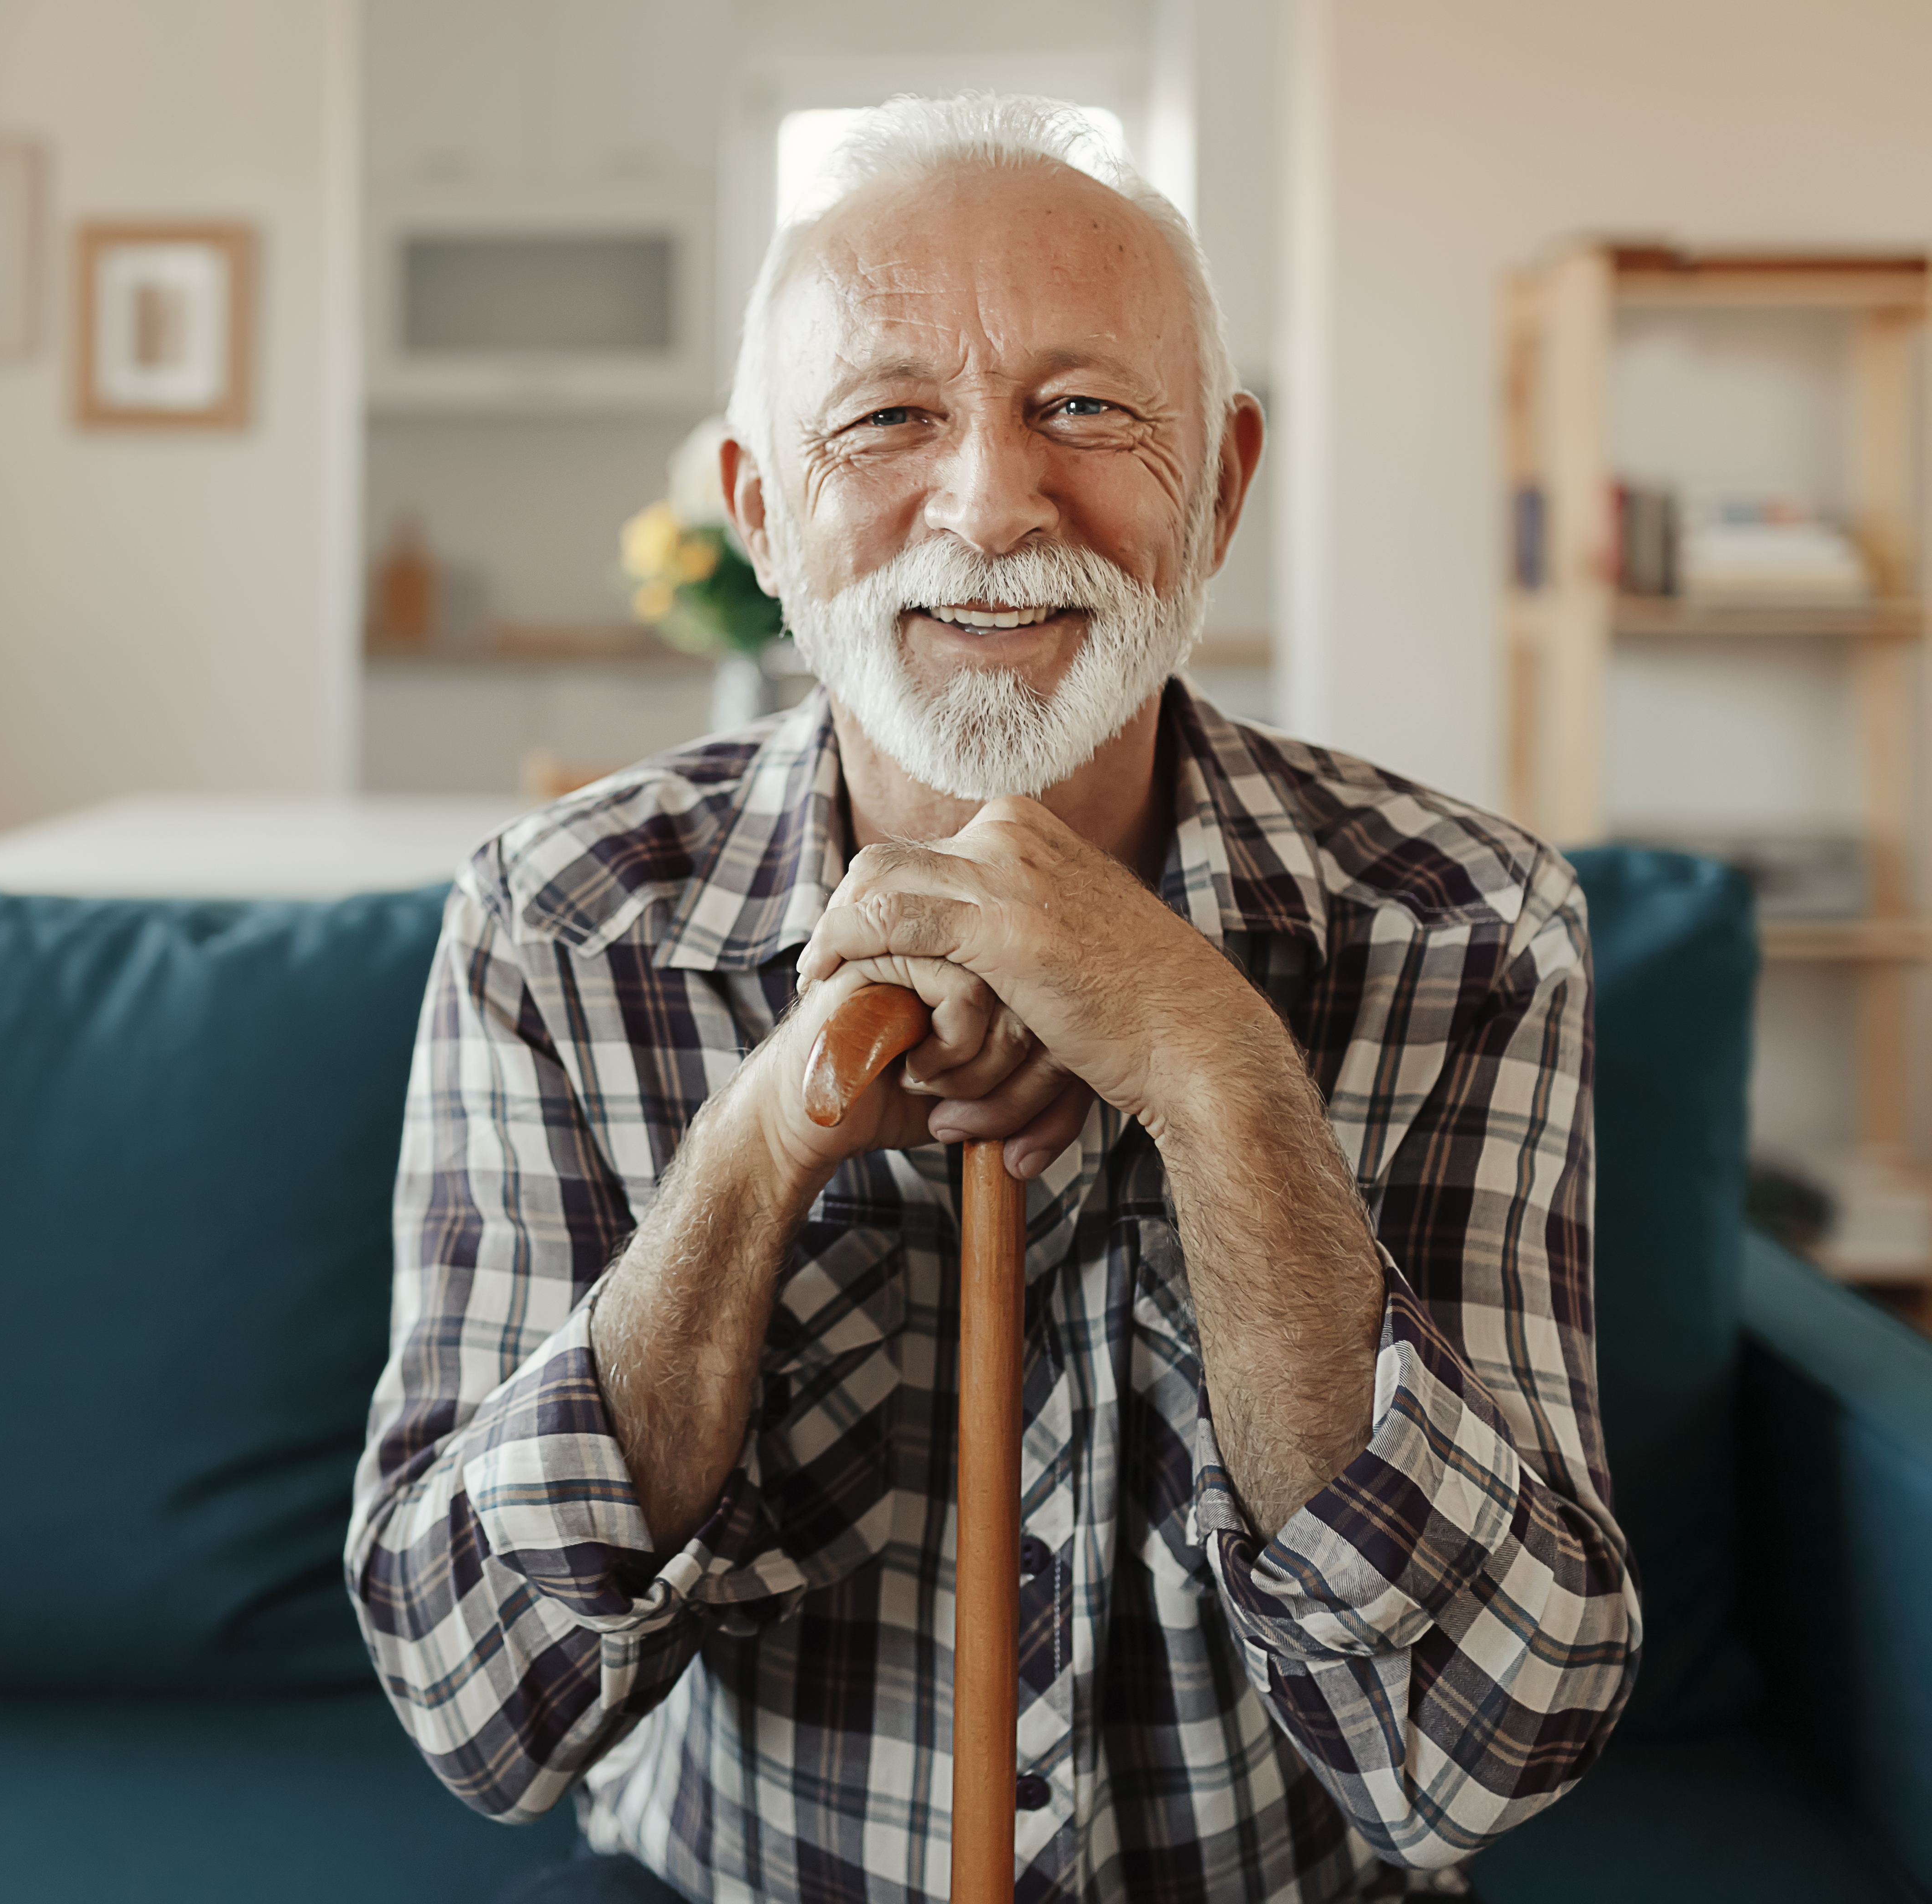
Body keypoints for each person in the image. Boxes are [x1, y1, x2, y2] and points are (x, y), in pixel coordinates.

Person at [347, 92, 1635, 1904]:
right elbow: (480, 1708)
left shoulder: (1470, 925)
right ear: (759, 507)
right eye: (887, 418)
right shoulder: (559, 923)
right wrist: (760, 1140)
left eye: (1088, 407)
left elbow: (1481, 1755)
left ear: (1225, 483)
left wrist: (1215, 1068)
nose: (993, 502)